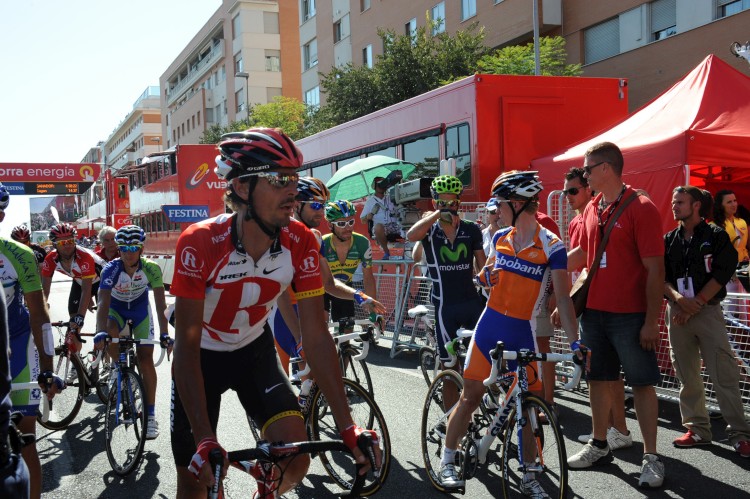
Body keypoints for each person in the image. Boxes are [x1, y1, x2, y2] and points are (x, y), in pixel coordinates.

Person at [169, 128, 379, 498]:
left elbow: (316, 335)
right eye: (280, 179)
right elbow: (185, 347)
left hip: (255, 353)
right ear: (242, 187)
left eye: (295, 179)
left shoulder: (301, 241)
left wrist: (348, 426)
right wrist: (204, 438)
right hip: (201, 359)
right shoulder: (199, 242)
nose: (293, 190)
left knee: (295, 460)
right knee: (196, 482)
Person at [439, 170, 582, 495]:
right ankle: (448, 459)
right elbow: (486, 274)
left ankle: (529, 477)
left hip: (523, 332)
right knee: (470, 397)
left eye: (500, 204)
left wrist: (576, 343)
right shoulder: (501, 237)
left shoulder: (552, 246)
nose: (496, 210)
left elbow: (562, 298)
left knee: (528, 406)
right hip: (489, 326)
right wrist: (484, 278)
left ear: (517, 204)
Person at [565, 142, 666, 489]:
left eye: (588, 169)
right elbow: (584, 253)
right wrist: (542, 264)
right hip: (594, 313)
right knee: (598, 379)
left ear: (606, 168)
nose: (584, 175)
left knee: (641, 384)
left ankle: (651, 457)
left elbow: (655, 270)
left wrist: (651, 321)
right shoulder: (593, 207)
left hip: (631, 315)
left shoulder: (642, 207)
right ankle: (599, 444)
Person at [663, 186, 750, 457]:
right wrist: (679, 300)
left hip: (707, 311)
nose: (674, 206)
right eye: (674, 201)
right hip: (677, 312)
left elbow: (723, 273)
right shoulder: (669, 239)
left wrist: (696, 304)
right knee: (686, 374)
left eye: (680, 202)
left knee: (724, 373)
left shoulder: (716, 235)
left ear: (696, 206)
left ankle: (740, 434)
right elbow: (661, 278)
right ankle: (697, 429)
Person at [270, 178, 385, 373]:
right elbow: (280, 292)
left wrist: (360, 296)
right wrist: (299, 337)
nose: (320, 212)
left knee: (319, 380)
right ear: (296, 205)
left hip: (307, 312)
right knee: (286, 386)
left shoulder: (315, 237)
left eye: (322, 206)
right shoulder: (278, 233)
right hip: (281, 316)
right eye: (315, 205)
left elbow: (329, 284)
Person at [558, 168, 633, 450]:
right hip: (593, 302)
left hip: (601, 303)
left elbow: (584, 264)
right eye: (565, 191)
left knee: (604, 375)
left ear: (588, 189)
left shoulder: (593, 214)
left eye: (573, 190)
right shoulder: (580, 218)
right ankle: (612, 430)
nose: (568, 196)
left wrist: (565, 298)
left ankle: (614, 430)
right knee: (604, 374)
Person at [0, 183, 62, 499]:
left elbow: (39, 315)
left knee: (25, 440)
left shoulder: (18, 255)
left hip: (18, 348)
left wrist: (48, 368)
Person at [406, 175, 486, 410]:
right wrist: (435, 215)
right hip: (444, 308)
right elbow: (411, 236)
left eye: (452, 203)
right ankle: (451, 420)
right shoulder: (429, 231)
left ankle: (478, 411)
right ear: (434, 203)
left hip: (471, 303)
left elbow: (482, 266)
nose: (448, 207)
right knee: (449, 369)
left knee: (482, 363)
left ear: (459, 203)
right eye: (442, 202)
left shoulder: (471, 229)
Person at [93, 225, 172, 440]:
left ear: (141, 249)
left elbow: (160, 304)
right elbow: (103, 301)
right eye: (124, 248)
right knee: (109, 330)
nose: (128, 253)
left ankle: (151, 415)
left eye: (133, 248)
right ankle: (117, 367)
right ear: (119, 249)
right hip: (116, 310)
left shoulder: (152, 268)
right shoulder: (111, 269)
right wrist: (100, 332)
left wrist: (165, 333)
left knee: (146, 359)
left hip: (140, 310)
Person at [321, 200, 381, 329]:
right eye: (341, 223)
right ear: (330, 225)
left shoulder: (362, 243)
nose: (348, 228)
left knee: (347, 331)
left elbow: (368, 278)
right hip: (321, 288)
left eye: (351, 222)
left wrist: (373, 310)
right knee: (321, 325)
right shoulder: (322, 243)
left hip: (344, 287)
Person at [40, 223, 104, 333]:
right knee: (73, 322)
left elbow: (86, 289)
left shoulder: (84, 256)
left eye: (70, 241)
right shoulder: (50, 259)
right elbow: (45, 288)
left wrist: (81, 316)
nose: (67, 245)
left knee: (103, 320)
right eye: (62, 243)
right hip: (80, 281)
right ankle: (73, 342)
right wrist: (40, 309)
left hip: (102, 282)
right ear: (54, 245)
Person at [713, 189, 749, 293]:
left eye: (735, 200)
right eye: (729, 202)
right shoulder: (713, 226)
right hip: (725, 272)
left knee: (742, 300)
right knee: (728, 300)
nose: (734, 204)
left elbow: (743, 246)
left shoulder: (742, 222)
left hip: (743, 270)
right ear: (720, 205)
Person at [360, 176, 401, 259]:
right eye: (379, 185)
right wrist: (368, 216)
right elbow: (362, 220)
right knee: (378, 227)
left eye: (383, 184)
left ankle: (413, 252)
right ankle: (386, 252)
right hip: (382, 228)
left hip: (396, 226)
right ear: (374, 186)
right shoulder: (370, 201)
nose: (382, 187)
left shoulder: (392, 198)